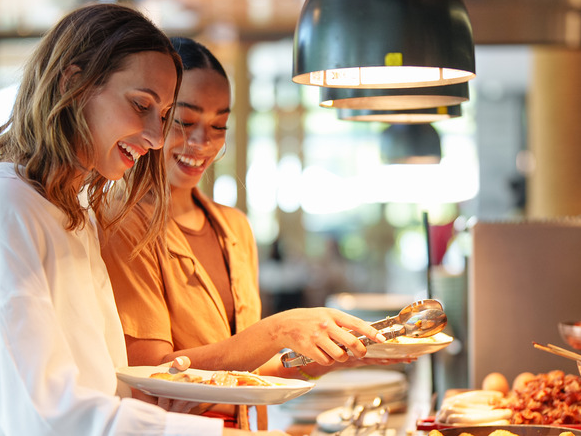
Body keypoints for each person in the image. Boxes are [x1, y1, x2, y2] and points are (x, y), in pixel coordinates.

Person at [0, 5, 286, 436]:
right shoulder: (1, 206)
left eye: (164, 115)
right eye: (141, 105)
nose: (155, 138)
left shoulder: (72, 212)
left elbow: (109, 385)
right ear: (73, 82)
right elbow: (46, 414)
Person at [101, 37, 405, 425]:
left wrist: (340, 354)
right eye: (186, 121)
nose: (202, 142)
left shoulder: (234, 227)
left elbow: (250, 378)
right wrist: (278, 329)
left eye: (219, 125)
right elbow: (153, 379)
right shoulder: (124, 226)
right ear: (157, 118)